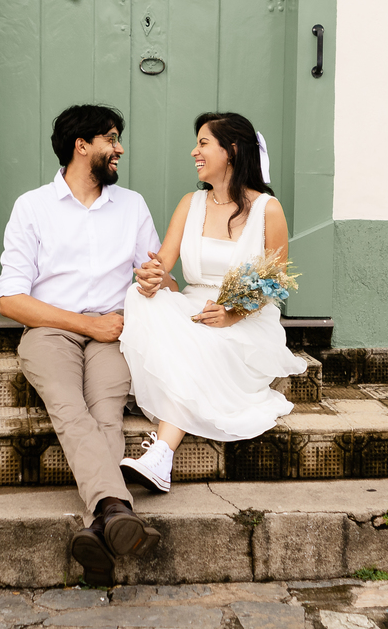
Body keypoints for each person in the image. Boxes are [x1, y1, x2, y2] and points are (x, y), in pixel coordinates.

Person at [0, 104, 163, 588]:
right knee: (70, 409)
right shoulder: (33, 206)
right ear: (81, 145)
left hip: (113, 332)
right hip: (51, 331)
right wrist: (85, 326)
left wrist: (156, 280)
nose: (120, 149)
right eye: (111, 138)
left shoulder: (132, 206)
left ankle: (100, 529)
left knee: (106, 412)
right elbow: (10, 299)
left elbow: (156, 280)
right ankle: (116, 508)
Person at [118, 112, 306, 493]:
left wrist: (233, 312)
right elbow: (163, 266)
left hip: (246, 320)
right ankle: (160, 458)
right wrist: (153, 278)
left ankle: (161, 455)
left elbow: (275, 283)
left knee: (197, 343)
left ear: (232, 150)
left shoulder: (269, 210)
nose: (194, 152)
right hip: (194, 308)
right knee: (139, 299)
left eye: (203, 143)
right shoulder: (192, 203)